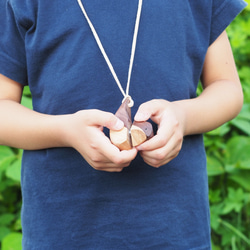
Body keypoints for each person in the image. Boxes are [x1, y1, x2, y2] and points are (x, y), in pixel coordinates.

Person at [0, 0, 247, 249]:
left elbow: (227, 88)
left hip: (175, 227)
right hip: (63, 230)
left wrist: (182, 117)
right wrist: (65, 131)